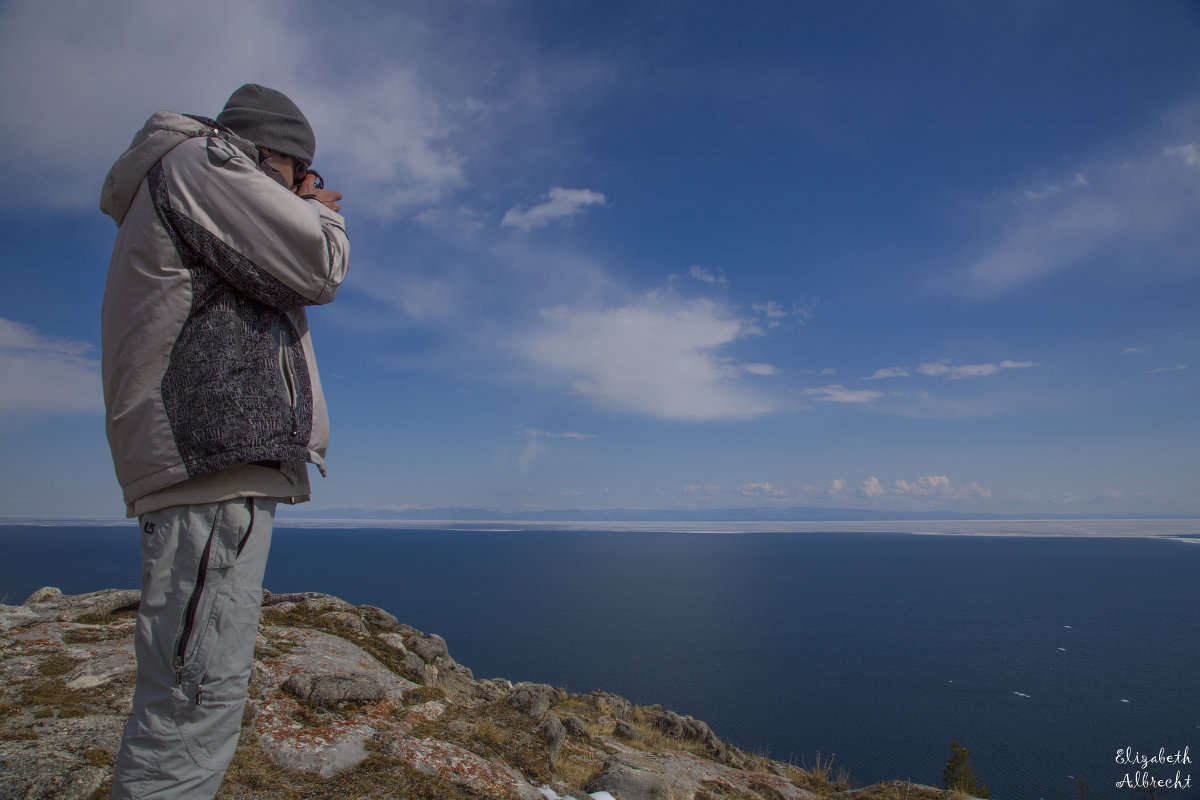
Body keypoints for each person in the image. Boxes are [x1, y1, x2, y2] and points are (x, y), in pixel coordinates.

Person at [99, 84, 349, 799]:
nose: (309, 188)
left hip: (206, 466)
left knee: (194, 689)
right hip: (209, 463)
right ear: (268, 154)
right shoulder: (200, 165)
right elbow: (319, 265)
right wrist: (310, 211)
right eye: (302, 172)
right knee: (191, 704)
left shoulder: (182, 173)